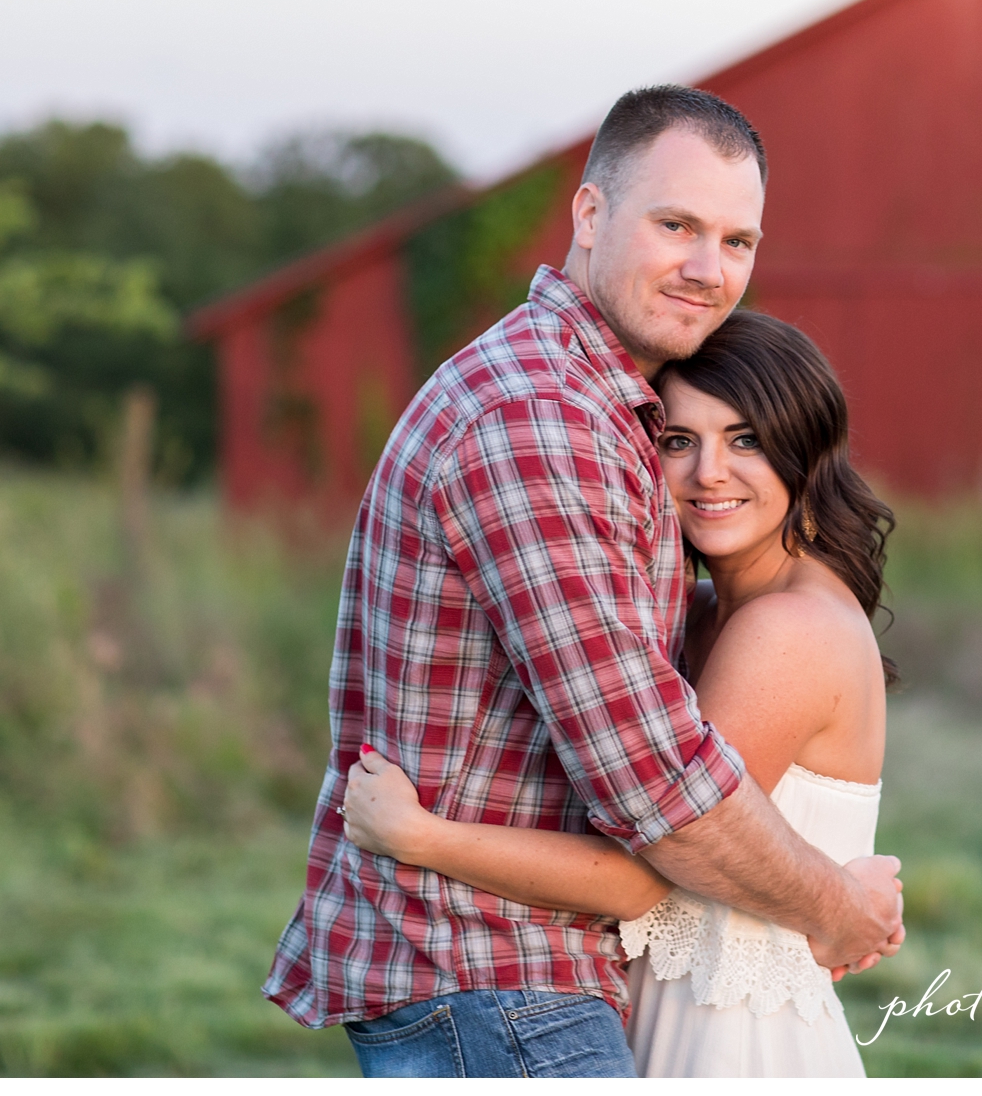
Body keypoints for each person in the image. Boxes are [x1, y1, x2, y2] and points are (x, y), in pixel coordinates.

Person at [262, 86, 903, 1078]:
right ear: (590, 215)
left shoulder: (599, 414)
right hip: (489, 972)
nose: (706, 266)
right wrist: (833, 906)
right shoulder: (539, 423)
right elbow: (658, 791)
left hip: (540, 979)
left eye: (736, 240)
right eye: (676, 224)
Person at [343, 311, 897, 1077]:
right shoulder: (704, 613)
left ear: (804, 451)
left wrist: (420, 837)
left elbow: (647, 871)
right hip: (655, 1018)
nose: (709, 472)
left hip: (737, 1044)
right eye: (678, 440)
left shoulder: (789, 629)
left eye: (746, 439)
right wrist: (835, 895)